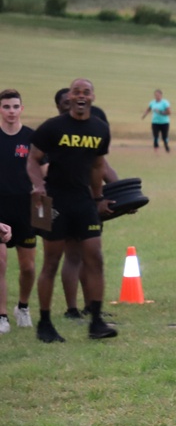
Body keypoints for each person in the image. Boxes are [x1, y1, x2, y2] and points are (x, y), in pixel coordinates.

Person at [27, 78, 117, 342]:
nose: (81, 96)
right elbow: (32, 159)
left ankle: (97, 322)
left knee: (95, 257)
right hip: (52, 201)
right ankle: (45, 324)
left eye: (86, 92)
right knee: (51, 262)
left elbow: (98, 166)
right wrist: (38, 185)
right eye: (76, 92)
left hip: (84, 202)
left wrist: (100, 197)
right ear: (69, 97)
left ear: (92, 97)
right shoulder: (52, 127)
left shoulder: (100, 129)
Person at [52, 88, 118, 320]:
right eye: (64, 103)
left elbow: (107, 172)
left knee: (91, 256)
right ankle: (71, 309)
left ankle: (91, 306)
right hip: (64, 202)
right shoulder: (56, 134)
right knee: (72, 256)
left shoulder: (89, 139)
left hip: (89, 205)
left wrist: (123, 199)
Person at [0, 89, 37, 332]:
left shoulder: (32, 138)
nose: (11, 111)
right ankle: (2, 316)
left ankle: (22, 307)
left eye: (15, 106)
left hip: (26, 210)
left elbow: (43, 173)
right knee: (0, 263)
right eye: (6, 107)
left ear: (22, 109)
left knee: (28, 267)